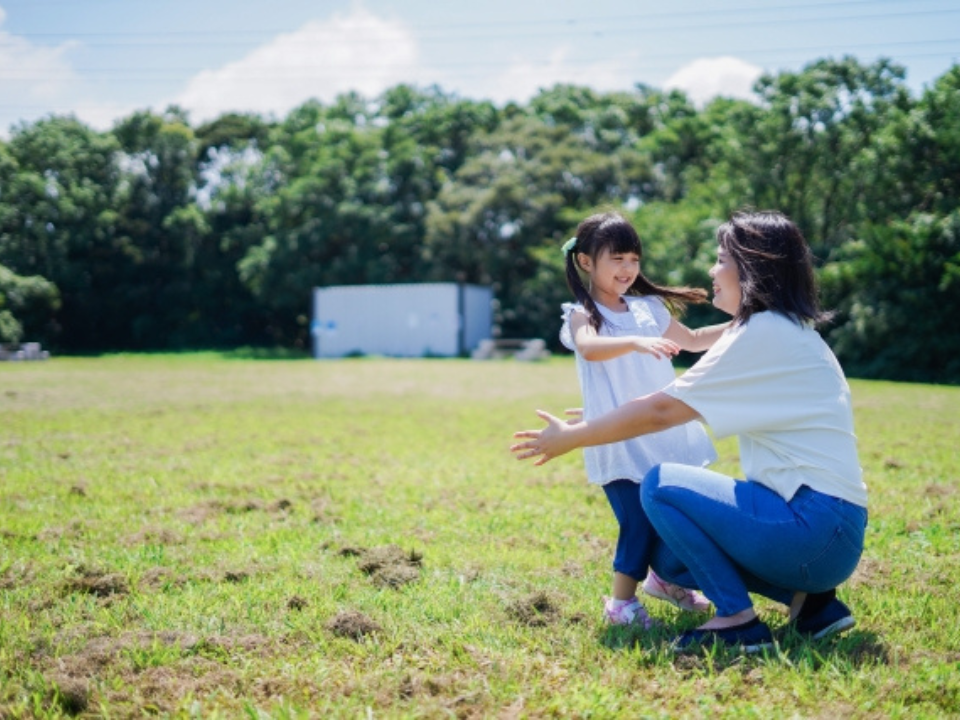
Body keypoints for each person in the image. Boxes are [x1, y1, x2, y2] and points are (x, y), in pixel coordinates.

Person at [512, 210, 867, 653]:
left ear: (751, 268)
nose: (712, 272)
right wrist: (602, 413)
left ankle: (738, 619)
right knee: (668, 557)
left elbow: (661, 410)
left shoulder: (762, 332)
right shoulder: (777, 328)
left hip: (814, 525)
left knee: (660, 483)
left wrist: (576, 434)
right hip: (826, 530)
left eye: (721, 260)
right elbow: (664, 397)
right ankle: (809, 603)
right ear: (586, 263)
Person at [558, 211, 730, 628]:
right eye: (616, 259)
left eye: (634, 259)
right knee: (635, 520)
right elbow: (591, 348)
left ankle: (663, 580)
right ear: (585, 261)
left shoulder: (649, 308)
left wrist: (743, 327)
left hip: (661, 431)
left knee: (670, 512)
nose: (628, 269)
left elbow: (690, 341)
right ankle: (621, 605)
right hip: (618, 438)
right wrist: (636, 341)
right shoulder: (582, 316)